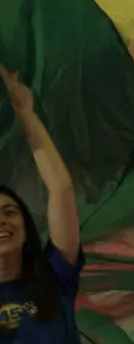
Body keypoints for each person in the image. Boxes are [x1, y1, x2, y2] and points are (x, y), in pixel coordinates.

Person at [0, 65, 83, 343]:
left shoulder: (55, 277)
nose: (1, 220)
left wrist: (25, 114)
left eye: (9, 212)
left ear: (25, 227)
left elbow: (61, 189)